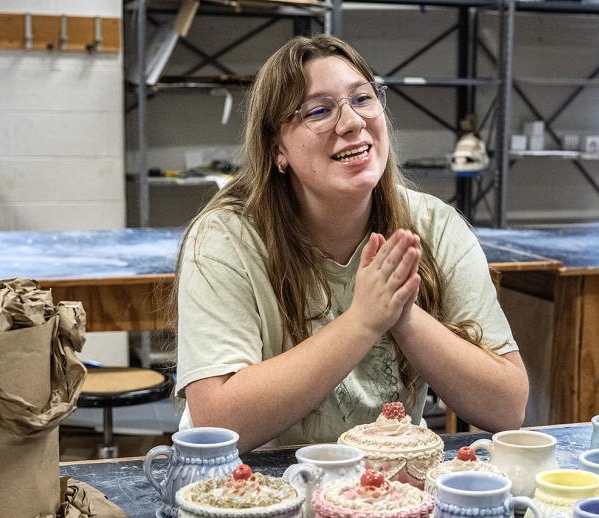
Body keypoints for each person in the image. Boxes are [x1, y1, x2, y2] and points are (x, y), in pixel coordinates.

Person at [175, 35, 528, 451]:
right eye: (320, 111)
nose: (352, 122)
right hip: (252, 493)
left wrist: (402, 315)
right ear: (277, 150)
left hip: (385, 493)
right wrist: (362, 322)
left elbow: (507, 405)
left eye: (362, 99)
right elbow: (218, 423)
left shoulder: (433, 226)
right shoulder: (227, 239)